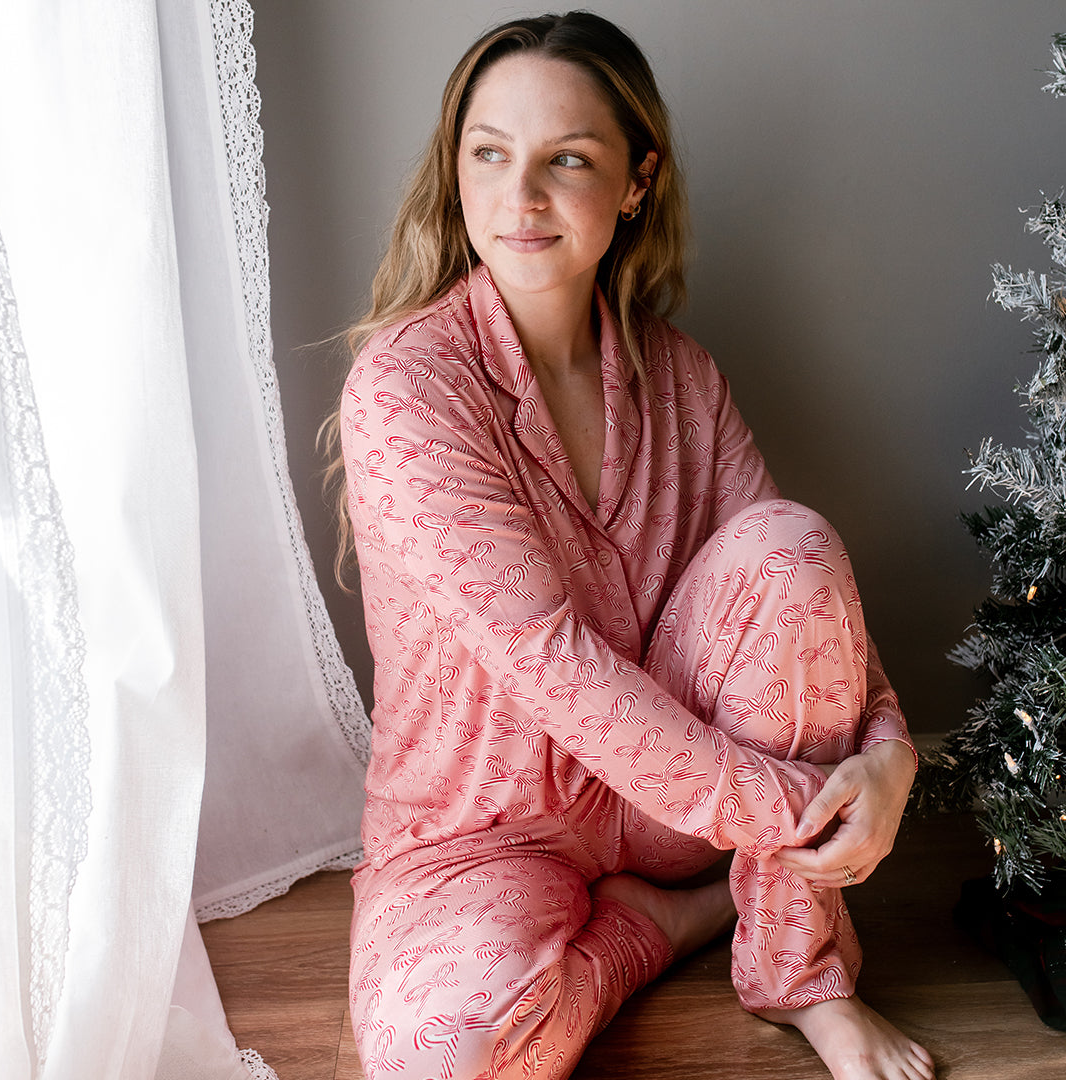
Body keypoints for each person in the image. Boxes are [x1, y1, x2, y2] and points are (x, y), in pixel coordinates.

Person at [326, 11, 935, 1080]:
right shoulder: (408, 392)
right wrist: (815, 810)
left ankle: (801, 977)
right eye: (490, 155)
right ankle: (676, 925)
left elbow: (803, 600)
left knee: (789, 545)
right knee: (447, 1058)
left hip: (668, 806)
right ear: (456, 168)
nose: (521, 198)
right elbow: (555, 669)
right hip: (486, 830)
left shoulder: (681, 376)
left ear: (636, 181)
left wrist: (890, 753)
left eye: (568, 160)